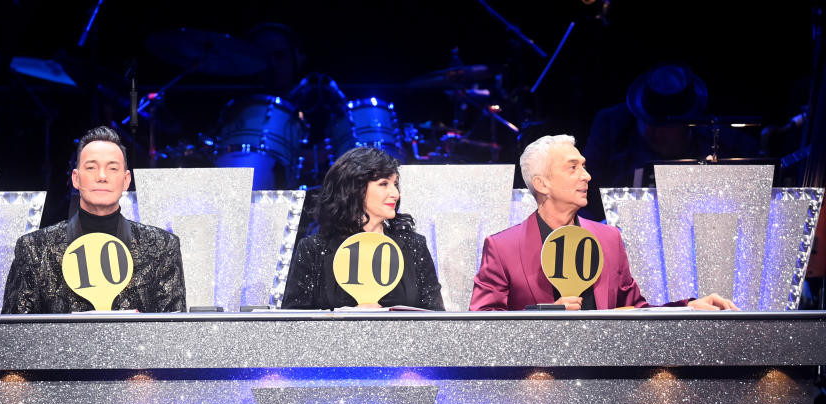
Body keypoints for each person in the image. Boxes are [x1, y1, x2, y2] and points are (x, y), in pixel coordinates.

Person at [469, 134, 738, 311]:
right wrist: (547, 317)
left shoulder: (608, 239)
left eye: (583, 166)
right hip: (534, 385)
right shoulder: (502, 247)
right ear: (542, 183)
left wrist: (689, 308)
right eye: (572, 167)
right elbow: (483, 326)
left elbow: (635, 311)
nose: (586, 176)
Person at [2, 126, 186, 313]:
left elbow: (171, 334)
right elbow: (14, 334)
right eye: (91, 167)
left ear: (126, 180)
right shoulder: (35, 249)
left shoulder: (162, 247)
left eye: (112, 168)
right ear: (76, 178)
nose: (102, 176)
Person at [582, 63, 757, 220]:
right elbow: (583, 193)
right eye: (646, 120)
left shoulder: (727, 143)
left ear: (687, 123)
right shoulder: (611, 125)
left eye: (663, 125)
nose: (652, 131)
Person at [282, 147, 444, 310]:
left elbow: (436, 319)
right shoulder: (313, 249)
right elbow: (293, 324)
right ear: (354, 189)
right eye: (383, 184)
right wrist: (346, 315)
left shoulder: (414, 246)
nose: (395, 193)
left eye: (395, 184)